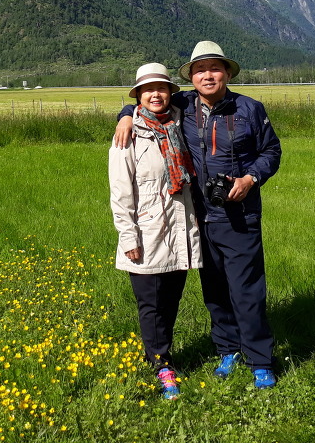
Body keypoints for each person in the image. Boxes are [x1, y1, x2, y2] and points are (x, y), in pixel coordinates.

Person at [115, 41, 281, 389]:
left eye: (214, 68)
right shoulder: (184, 106)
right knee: (215, 291)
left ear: (227, 73)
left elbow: (271, 151)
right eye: (200, 70)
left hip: (240, 216)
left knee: (247, 291)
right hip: (199, 217)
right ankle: (228, 349)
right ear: (191, 77)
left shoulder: (250, 109)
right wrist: (126, 114)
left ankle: (260, 360)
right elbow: (148, 102)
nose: (207, 75)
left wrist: (251, 179)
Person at [109, 62, 202, 400]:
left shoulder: (181, 122)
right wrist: (128, 237)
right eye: (148, 90)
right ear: (138, 95)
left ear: (170, 92)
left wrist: (124, 112)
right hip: (147, 232)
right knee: (150, 304)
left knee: (171, 300)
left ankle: (160, 354)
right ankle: (162, 365)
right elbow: (121, 193)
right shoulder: (128, 135)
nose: (155, 94)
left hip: (180, 231)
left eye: (161, 88)